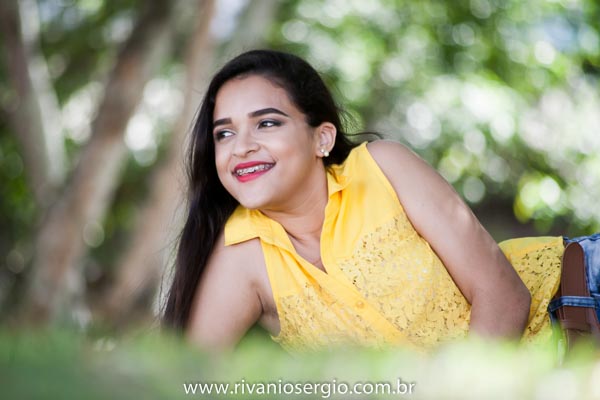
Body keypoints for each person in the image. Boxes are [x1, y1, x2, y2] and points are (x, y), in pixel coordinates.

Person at [162, 49, 590, 352]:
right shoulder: (242, 254)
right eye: (224, 133)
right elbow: (185, 381)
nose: (241, 147)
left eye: (267, 123)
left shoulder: (382, 166)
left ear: (322, 138)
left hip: (579, 295)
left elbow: (504, 296)